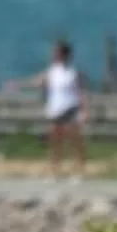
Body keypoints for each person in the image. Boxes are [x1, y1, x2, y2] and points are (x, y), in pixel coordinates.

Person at [32, 39, 86, 178]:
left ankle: (78, 171)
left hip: (70, 108)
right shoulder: (51, 71)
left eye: (57, 53)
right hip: (55, 110)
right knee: (55, 143)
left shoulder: (72, 73)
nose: (54, 55)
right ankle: (54, 171)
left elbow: (80, 92)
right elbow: (38, 82)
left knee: (75, 142)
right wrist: (18, 84)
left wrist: (83, 110)